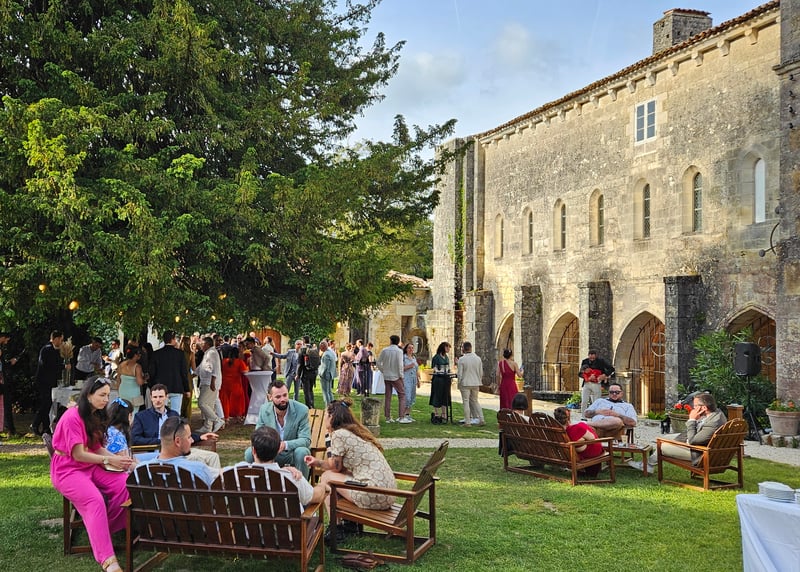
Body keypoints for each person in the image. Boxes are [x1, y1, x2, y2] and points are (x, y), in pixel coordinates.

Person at [50, 377, 134, 572]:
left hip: (88, 465)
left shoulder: (94, 415)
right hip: (67, 470)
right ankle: (108, 560)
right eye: (102, 395)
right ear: (88, 395)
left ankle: (101, 529)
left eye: (108, 395)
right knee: (94, 500)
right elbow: (78, 454)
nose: (106, 399)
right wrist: (108, 461)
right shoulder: (72, 417)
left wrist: (118, 459)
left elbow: (96, 448)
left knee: (126, 483)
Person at [304, 399, 397, 543]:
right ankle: (349, 524)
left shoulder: (339, 434)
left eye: (326, 414)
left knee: (326, 477)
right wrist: (318, 461)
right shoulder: (355, 432)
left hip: (373, 494)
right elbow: (341, 469)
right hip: (388, 493)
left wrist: (327, 438)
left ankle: (336, 528)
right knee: (340, 475)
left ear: (332, 417)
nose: (324, 417)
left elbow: (334, 467)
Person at [630, 392, 727, 472]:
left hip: (700, 454)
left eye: (695, 406)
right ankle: (648, 464)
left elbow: (692, 441)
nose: (693, 408)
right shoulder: (716, 414)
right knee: (664, 438)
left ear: (704, 408)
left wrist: (692, 420)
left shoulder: (713, 423)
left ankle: (647, 466)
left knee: (662, 446)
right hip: (702, 446)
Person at [130, 384, 221, 469]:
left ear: (166, 397)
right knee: (199, 460)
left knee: (213, 457)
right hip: (159, 454)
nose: (158, 400)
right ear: (151, 398)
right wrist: (161, 441)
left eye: (161, 396)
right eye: (155, 397)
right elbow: (135, 439)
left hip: (179, 450)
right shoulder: (141, 416)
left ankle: (217, 480)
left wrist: (200, 437)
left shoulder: (173, 415)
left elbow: (183, 434)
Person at [241, 426, 325, 506]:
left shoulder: (237, 473)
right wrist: (323, 486)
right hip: (286, 516)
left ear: (253, 451)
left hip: (248, 517)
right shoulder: (293, 477)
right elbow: (315, 497)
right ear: (278, 450)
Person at [244, 380, 312, 478]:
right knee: (249, 453)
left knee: (302, 452)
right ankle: (258, 484)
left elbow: (305, 440)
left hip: (292, 453)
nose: (283, 399)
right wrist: (268, 447)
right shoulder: (264, 410)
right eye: (278, 397)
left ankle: (302, 484)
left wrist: (285, 445)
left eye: (285, 395)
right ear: (270, 397)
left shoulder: (301, 410)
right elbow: (257, 437)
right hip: (270, 453)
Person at [138, 416, 217, 486]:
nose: (192, 441)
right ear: (177, 441)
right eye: (189, 437)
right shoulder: (198, 469)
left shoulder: (140, 470)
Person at [31, 330, 70, 436]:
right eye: (61, 340)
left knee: (47, 404)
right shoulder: (47, 349)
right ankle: (36, 424)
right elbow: (48, 365)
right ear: (56, 339)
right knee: (46, 403)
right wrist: (63, 366)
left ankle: (45, 427)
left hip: (51, 381)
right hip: (44, 381)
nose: (61, 342)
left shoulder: (55, 350)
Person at [553, 406, 604, 476]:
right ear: (568, 418)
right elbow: (592, 439)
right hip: (590, 454)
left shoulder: (554, 432)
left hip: (571, 454)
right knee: (582, 426)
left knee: (582, 428)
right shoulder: (576, 428)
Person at [150, 330, 191, 415]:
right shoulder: (180, 354)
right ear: (173, 339)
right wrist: (187, 389)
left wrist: (152, 386)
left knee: (160, 411)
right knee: (176, 412)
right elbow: (184, 372)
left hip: (161, 387)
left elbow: (152, 372)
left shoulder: (156, 354)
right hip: (176, 386)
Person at [376, 335, 408, 423]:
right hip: (396, 376)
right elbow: (400, 365)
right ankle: (401, 417)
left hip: (387, 376)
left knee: (388, 396)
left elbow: (378, 362)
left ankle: (388, 417)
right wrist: (401, 376)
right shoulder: (399, 351)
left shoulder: (384, 350)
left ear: (390, 341)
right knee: (402, 395)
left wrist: (383, 370)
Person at [197, 336, 224, 433]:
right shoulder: (207, 353)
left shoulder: (212, 353)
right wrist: (193, 374)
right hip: (205, 381)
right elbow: (201, 367)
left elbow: (215, 368)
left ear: (207, 344)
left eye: (202, 344)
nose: (201, 345)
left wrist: (213, 381)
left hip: (209, 382)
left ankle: (217, 420)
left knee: (202, 403)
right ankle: (208, 427)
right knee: (209, 404)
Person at [242, 336, 272, 424]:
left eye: (247, 344)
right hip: (254, 371)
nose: (246, 346)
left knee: (260, 392)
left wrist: (263, 367)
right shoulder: (251, 351)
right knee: (256, 392)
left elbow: (267, 357)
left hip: (259, 371)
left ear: (252, 343)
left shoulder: (257, 350)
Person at [457, 341, 485, 427]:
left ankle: (468, 422)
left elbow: (460, 374)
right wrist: (479, 380)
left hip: (465, 383)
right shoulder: (478, 359)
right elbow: (481, 372)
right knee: (475, 401)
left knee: (466, 402)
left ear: (463, 349)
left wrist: (459, 383)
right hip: (476, 382)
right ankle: (481, 419)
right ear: (471, 348)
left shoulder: (462, 359)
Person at [579, 349, 615, 414]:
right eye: (590, 358)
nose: (592, 359)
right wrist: (588, 377)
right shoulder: (584, 361)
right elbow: (580, 373)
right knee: (584, 401)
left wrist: (604, 375)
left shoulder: (601, 361)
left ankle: (595, 415)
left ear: (596, 356)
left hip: (597, 383)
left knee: (596, 401)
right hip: (587, 383)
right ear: (588, 355)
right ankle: (583, 416)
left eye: (593, 358)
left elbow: (611, 369)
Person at [220, 346, 248, 422]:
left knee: (225, 401)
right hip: (236, 384)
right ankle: (238, 415)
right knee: (237, 400)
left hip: (225, 383)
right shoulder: (239, 362)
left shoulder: (224, 361)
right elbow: (245, 371)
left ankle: (226, 416)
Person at [116, 345, 145, 418]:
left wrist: (118, 390)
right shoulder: (137, 366)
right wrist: (145, 379)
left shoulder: (121, 364)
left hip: (122, 391)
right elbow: (140, 382)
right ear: (135, 355)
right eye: (139, 354)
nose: (140, 356)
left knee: (123, 411)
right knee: (133, 412)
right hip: (133, 393)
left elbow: (118, 379)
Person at [429, 341, 452, 424]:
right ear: (443, 348)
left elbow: (448, 367)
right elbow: (434, 368)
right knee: (437, 395)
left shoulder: (446, 357)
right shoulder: (436, 357)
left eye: (449, 347)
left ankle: (444, 414)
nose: (448, 349)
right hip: (438, 379)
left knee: (445, 396)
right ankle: (436, 414)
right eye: (447, 347)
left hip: (446, 379)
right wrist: (439, 371)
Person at [296, 336, 320, 408]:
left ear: (303, 341)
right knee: (311, 390)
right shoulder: (314, 349)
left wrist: (298, 374)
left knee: (306, 391)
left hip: (305, 372)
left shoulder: (302, 349)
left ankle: (309, 406)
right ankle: (312, 404)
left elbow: (300, 364)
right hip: (313, 372)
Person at [178, 335, 197, 420]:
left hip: (179, 376)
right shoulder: (191, 354)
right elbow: (194, 369)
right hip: (187, 376)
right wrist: (192, 376)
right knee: (188, 399)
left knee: (179, 398)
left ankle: (179, 415)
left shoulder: (178, 353)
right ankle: (187, 418)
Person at [402, 343, 420, 422]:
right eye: (409, 348)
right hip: (406, 379)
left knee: (412, 397)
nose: (411, 349)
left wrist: (418, 380)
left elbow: (416, 369)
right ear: (406, 349)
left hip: (413, 379)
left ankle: (408, 414)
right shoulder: (403, 358)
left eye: (412, 348)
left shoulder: (413, 358)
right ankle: (402, 414)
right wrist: (409, 366)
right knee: (407, 397)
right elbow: (400, 368)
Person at [318, 340, 337, 407]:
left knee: (325, 392)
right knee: (329, 391)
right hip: (330, 374)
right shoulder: (331, 352)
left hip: (325, 375)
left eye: (320, 347)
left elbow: (325, 367)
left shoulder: (326, 355)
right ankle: (333, 405)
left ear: (322, 347)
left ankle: (328, 406)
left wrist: (320, 373)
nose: (320, 348)